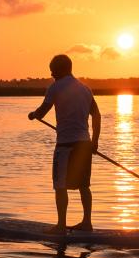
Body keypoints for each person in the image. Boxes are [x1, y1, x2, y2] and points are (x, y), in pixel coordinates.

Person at [28, 54, 101, 233]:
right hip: (84, 143)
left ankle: (61, 226)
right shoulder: (85, 89)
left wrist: (33, 114)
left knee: (60, 185)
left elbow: (42, 111)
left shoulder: (55, 88)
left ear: (61, 69)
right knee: (84, 185)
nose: (51, 73)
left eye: (53, 69)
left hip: (65, 145)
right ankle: (87, 223)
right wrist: (95, 142)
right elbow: (97, 115)